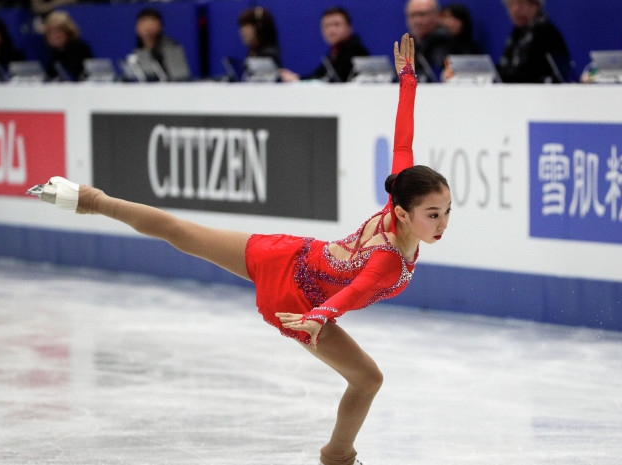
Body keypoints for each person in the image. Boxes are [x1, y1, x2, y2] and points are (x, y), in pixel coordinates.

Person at [26, 34, 451, 465]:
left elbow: (402, 145)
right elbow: (357, 290)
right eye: (432, 214)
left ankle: (90, 200)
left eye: (446, 211)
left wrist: (409, 81)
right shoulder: (389, 258)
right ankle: (337, 456)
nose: (442, 223)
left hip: (287, 254)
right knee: (368, 380)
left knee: (182, 232)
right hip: (296, 300)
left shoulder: (398, 195)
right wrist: (317, 318)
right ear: (402, 213)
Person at [280, 6, 369, 83]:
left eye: (336, 24)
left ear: (349, 28)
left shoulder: (356, 51)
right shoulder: (334, 53)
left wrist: (298, 79)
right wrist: (297, 78)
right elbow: (319, 75)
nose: (331, 30)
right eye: (326, 26)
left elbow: (334, 79)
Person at [497, 0, 570, 83]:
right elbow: (505, 69)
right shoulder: (516, 33)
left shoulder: (547, 33)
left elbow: (531, 74)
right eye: (510, 5)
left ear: (536, 5)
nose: (515, 9)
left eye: (521, 3)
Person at [133, 7, 189, 81]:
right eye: (143, 21)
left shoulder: (169, 46)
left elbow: (180, 76)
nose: (147, 26)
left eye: (152, 21)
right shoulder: (140, 48)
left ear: (159, 25)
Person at [405, 0, 453, 81]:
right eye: (412, 15)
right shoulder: (410, 43)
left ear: (437, 15)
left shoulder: (443, 42)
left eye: (422, 14)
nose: (417, 21)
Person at [43, 10, 93, 81]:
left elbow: (79, 75)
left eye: (58, 31)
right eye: (50, 32)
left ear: (68, 32)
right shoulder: (51, 51)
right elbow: (49, 76)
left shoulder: (78, 47)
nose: (54, 36)